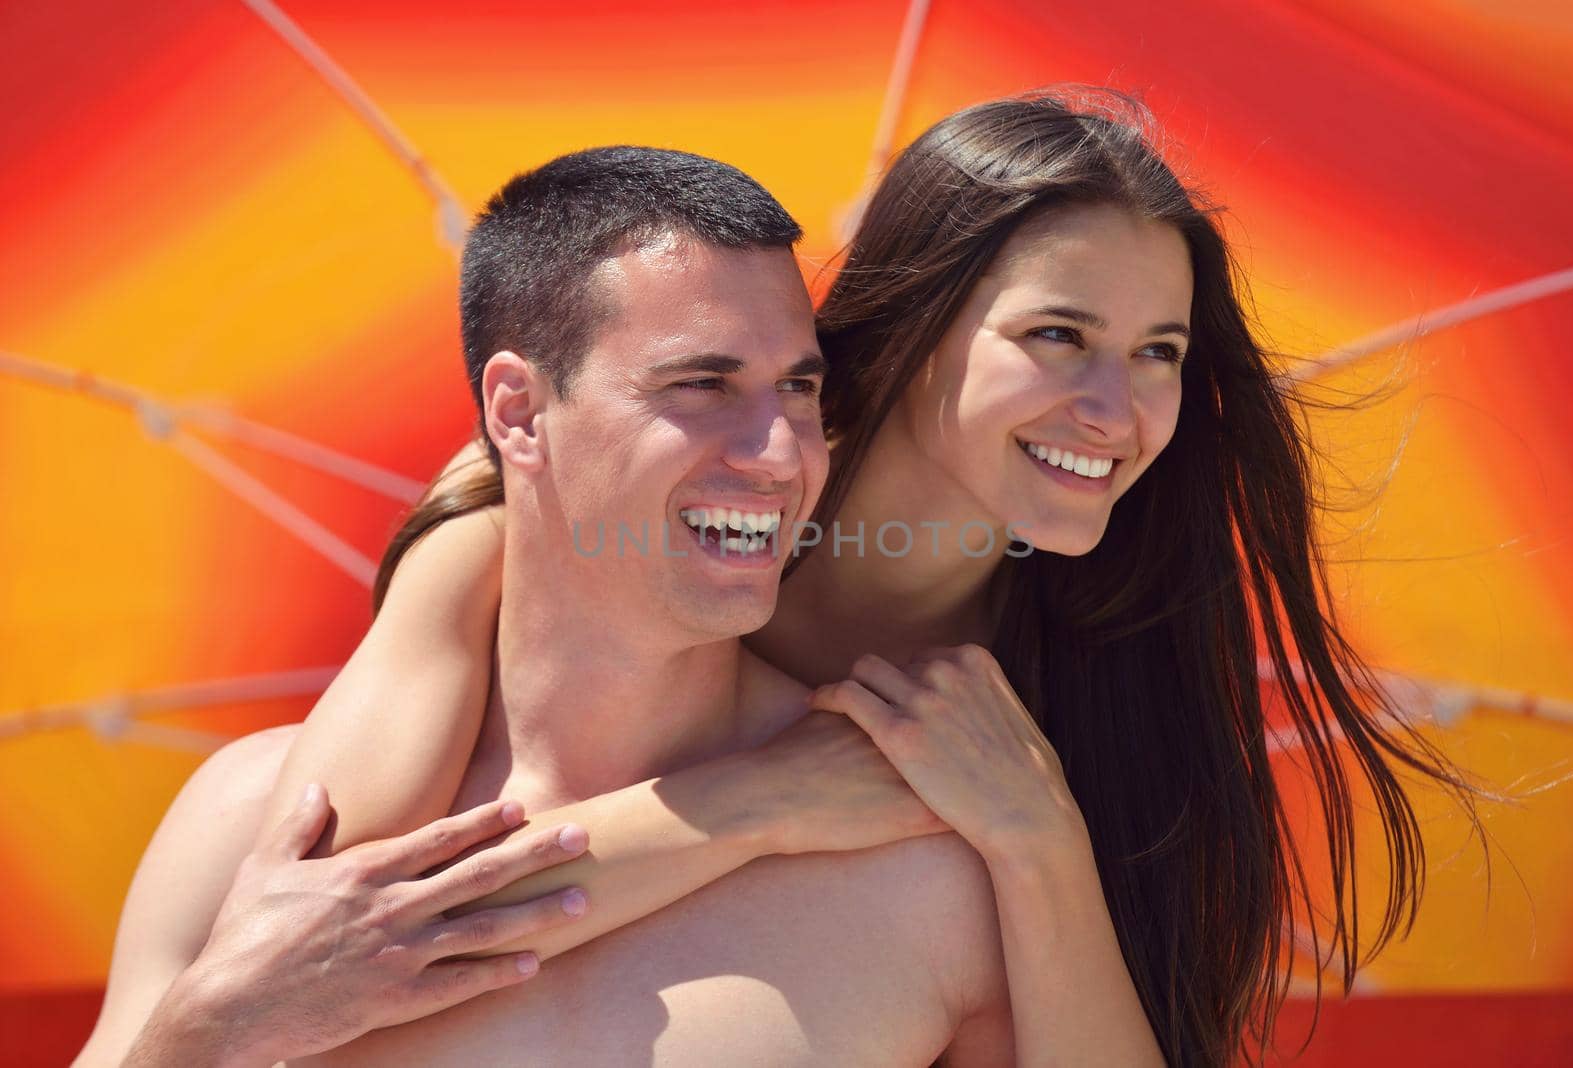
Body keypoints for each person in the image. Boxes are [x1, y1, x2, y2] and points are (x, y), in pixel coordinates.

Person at [77, 146, 996, 1068]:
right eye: (702, 385)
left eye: (799, 387)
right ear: (517, 413)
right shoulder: (245, 822)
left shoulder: (923, 853)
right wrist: (211, 1026)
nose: (780, 454)